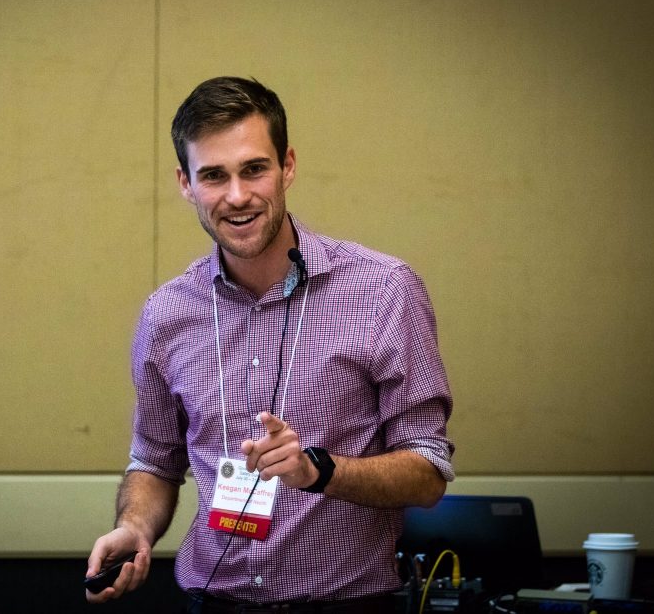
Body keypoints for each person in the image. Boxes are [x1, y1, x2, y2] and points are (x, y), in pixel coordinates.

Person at [86, 76, 455, 612]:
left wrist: (319, 470)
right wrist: (135, 528)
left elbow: (428, 472)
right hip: (211, 602)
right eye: (214, 175)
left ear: (288, 166)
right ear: (186, 184)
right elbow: (155, 462)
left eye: (254, 169)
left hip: (346, 605)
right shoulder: (167, 313)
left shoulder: (384, 291)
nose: (237, 196)